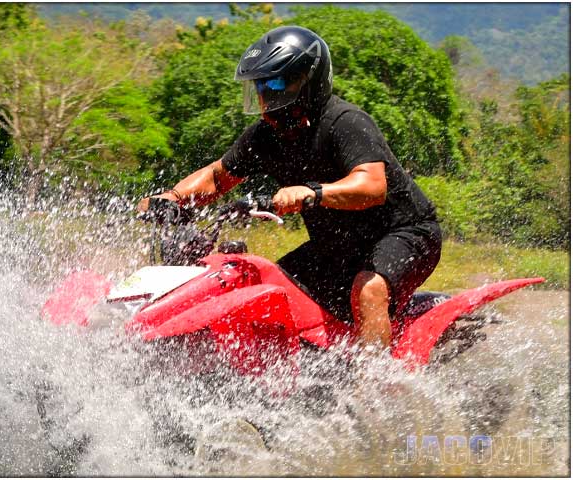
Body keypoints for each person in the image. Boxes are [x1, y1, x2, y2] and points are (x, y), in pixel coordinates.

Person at [137, 26, 442, 349]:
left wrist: (313, 192)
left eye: (277, 83)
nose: (267, 95)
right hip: (337, 245)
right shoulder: (266, 136)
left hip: (404, 233)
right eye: (260, 86)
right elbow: (217, 176)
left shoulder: (344, 122)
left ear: (309, 81)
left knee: (369, 289)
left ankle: (373, 386)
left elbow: (372, 186)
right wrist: (172, 198)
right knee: (269, 287)